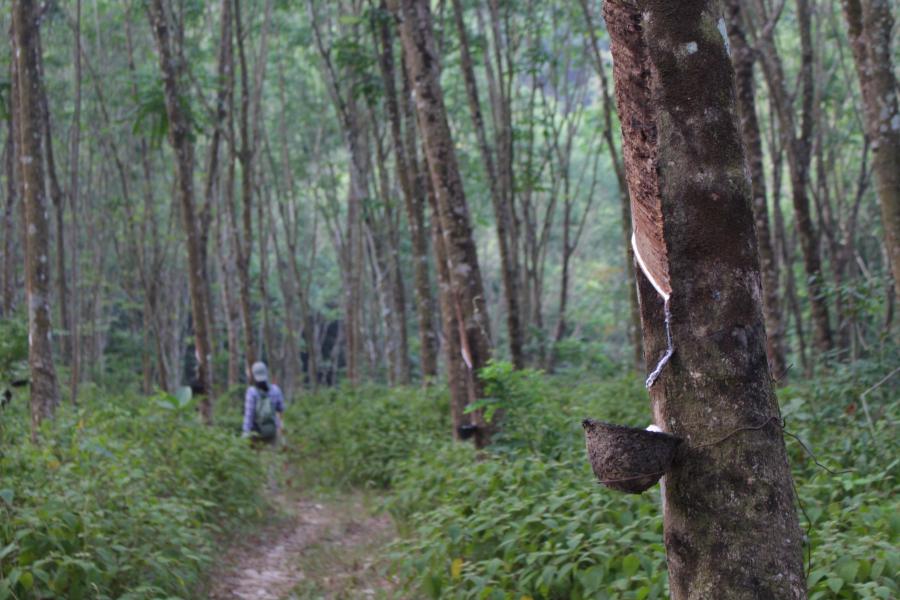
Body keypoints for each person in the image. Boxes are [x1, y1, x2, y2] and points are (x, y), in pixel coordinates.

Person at [242, 361, 285, 442]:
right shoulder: (276, 390)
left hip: (256, 434)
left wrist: (245, 432)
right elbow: (281, 409)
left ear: (254, 375)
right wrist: (280, 428)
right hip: (273, 432)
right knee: (272, 454)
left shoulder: (251, 392)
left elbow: (249, 415)